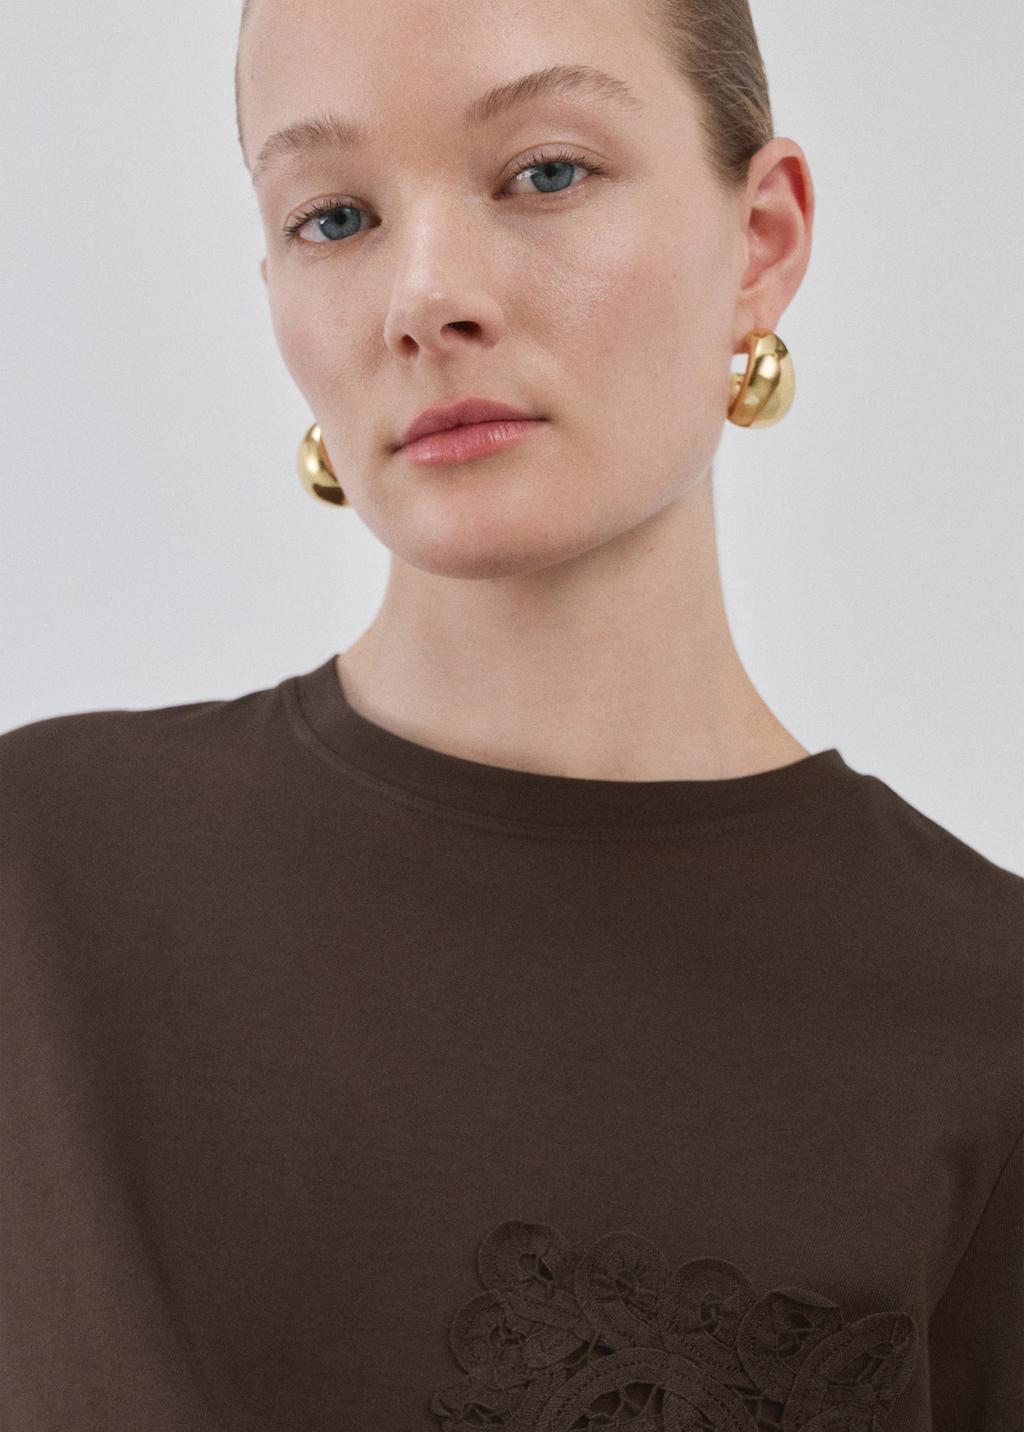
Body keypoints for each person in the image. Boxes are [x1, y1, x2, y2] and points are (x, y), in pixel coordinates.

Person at [1, 0, 1020, 1428]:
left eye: (546, 173)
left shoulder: (983, 1016)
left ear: (761, 239)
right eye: (336, 216)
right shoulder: (39, 878)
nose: (425, 295)